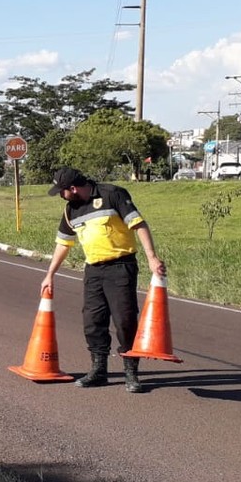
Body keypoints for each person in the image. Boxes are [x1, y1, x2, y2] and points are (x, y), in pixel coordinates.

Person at [40, 167, 166, 393]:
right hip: (93, 270)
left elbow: (139, 225)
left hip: (120, 266)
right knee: (92, 321)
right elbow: (63, 244)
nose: (60, 195)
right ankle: (99, 370)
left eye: (62, 191)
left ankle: (131, 372)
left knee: (124, 321)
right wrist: (50, 274)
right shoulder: (71, 210)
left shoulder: (112, 194)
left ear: (73, 188)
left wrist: (152, 258)